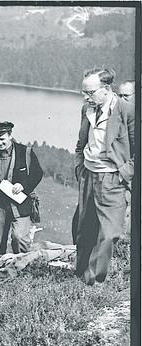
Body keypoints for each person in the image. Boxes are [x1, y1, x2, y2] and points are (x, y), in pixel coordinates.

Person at [73, 68, 135, 284]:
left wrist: (124, 174)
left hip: (112, 179)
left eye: (90, 92)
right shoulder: (87, 109)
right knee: (85, 228)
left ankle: (93, 281)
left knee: (109, 234)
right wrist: (80, 166)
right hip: (89, 175)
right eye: (84, 92)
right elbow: (82, 141)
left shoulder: (127, 110)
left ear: (107, 89)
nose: (86, 97)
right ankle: (80, 274)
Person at [0, 122, 43, 258]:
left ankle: (22, 266)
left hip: (20, 204)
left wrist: (23, 186)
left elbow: (37, 173)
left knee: (19, 237)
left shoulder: (25, 152)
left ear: (10, 136)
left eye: (2, 139)